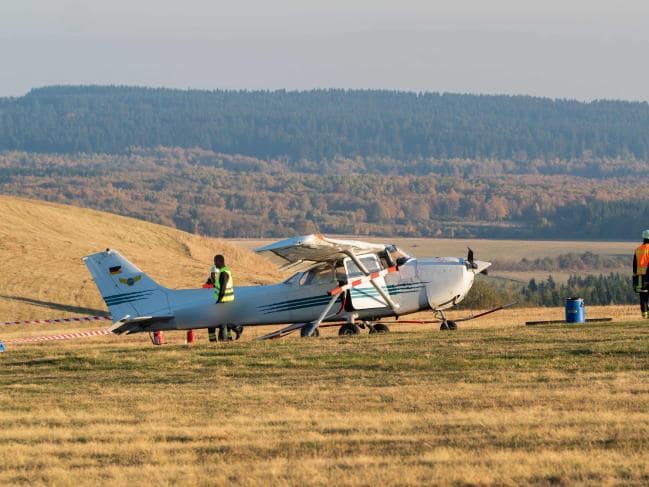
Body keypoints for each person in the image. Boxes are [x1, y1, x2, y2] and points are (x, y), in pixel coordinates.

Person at [209, 254, 234, 341]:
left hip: (224, 301)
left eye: (215, 262)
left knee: (223, 323)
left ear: (220, 261)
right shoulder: (224, 271)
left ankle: (225, 339)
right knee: (224, 322)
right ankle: (228, 336)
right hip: (227, 300)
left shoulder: (223, 273)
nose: (215, 264)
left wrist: (218, 301)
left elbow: (222, 289)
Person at [633, 230, 649, 319]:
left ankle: (645, 317)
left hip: (640, 278)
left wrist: (634, 278)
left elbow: (634, 266)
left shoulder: (637, 250)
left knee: (643, 298)